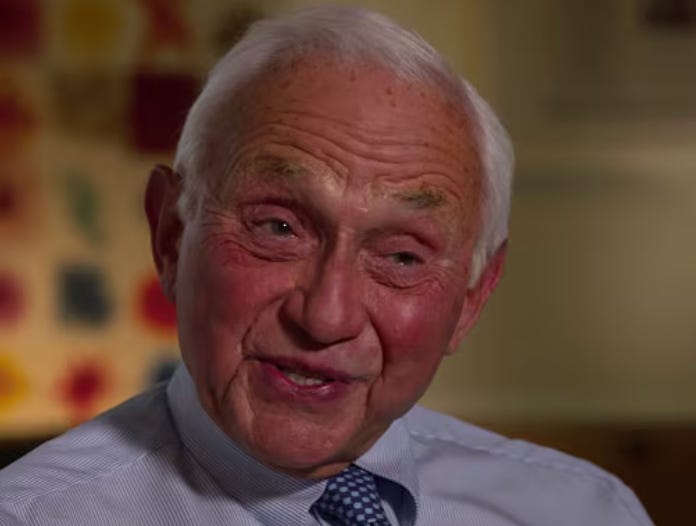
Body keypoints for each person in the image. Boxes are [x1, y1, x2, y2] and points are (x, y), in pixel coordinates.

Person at [0, 6, 653, 526]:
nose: (326, 316)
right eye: (278, 228)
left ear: (473, 298)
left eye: (402, 256)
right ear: (171, 235)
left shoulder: (583, 511)